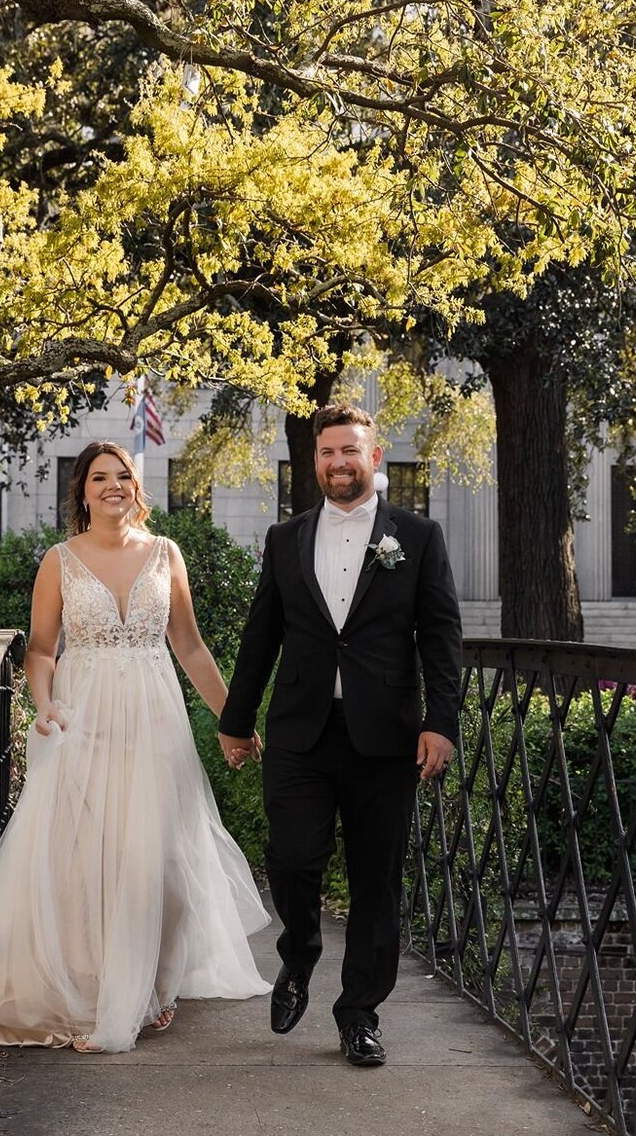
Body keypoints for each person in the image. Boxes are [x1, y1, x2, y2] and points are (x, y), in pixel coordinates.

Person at [0, 441, 270, 1053]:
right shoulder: (60, 560)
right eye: (99, 478)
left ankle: (155, 984)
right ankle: (92, 988)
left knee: (159, 857)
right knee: (87, 858)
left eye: (123, 476)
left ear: (137, 487)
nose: (113, 486)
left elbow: (189, 647)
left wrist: (232, 720)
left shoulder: (165, 554)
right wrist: (45, 703)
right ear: (81, 492)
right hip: (85, 718)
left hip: (155, 721)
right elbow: (40, 650)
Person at [218, 404, 462, 1068]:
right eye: (327, 452)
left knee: (375, 882)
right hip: (301, 730)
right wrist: (236, 721)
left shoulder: (417, 535)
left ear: (374, 457)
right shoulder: (285, 537)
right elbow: (261, 633)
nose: (338, 463)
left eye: (350, 451)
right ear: (314, 460)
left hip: (385, 736)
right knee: (294, 856)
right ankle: (298, 957)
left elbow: (441, 636)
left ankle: (359, 1012)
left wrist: (442, 720)